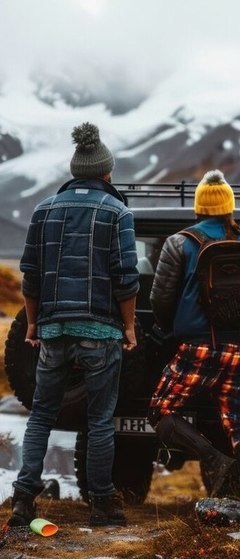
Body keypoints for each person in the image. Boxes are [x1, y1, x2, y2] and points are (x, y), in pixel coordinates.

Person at [7, 122, 139, 528]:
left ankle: (23, 500)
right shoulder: (118, 212)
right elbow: (126, 278)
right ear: (106, 172)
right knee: (100, 420)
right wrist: (130, 328)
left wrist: (32, 325)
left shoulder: (44, 209)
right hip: (100, 332)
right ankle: (101, 505)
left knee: (42, 416)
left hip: (53, 331)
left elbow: (30, 274)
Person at [147, 169, 240, 504]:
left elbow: (160, 299)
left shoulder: (179, 243)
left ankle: (214, 460)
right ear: (229, 207)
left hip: (197, 346)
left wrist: (171, 331)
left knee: (162, 411)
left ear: (199, 208)